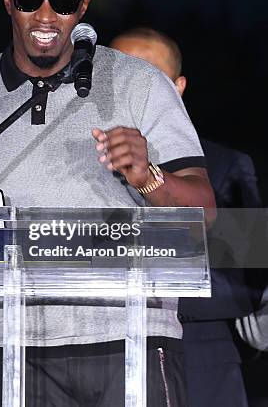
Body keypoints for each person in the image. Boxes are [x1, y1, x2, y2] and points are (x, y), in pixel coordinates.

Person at [0, 0, 215, 407]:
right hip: (21, 345)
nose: (45, 16)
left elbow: (204, 212)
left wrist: (148, 178)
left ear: (84, 5)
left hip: (136, 340)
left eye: (62, 1)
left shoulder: (140, 84)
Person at [111, 27, 262, 407]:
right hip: (93, 360)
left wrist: (138, 273)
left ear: (177, 88)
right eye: (120, 76)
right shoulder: (72, 164)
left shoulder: (225, 165)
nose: (135, 91)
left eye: (150, 79)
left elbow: (248, 284)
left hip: (200, 364)